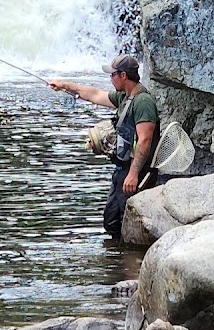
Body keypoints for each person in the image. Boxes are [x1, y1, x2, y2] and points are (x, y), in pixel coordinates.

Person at [48, 54, 160, 238]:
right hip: (122, 169)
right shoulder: (126, 97)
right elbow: (95, 94)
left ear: (123, 76)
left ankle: (132, 264)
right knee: (111, 221)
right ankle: (118, 264)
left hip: (135, 172)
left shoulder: (143, 102)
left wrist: (133, 174)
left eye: (112, 74)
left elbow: (145, 140)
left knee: (129, 225)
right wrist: (65, 85)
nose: (110, 78)